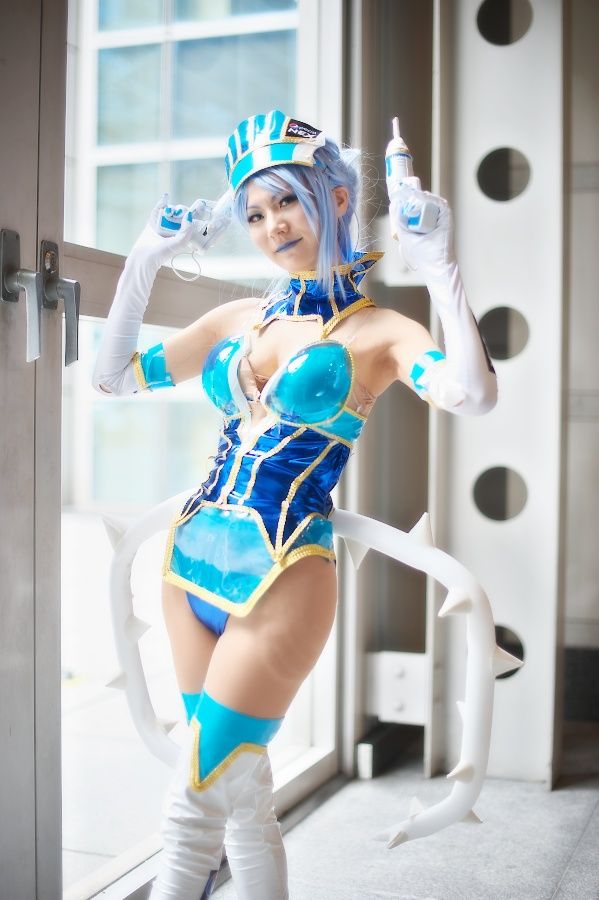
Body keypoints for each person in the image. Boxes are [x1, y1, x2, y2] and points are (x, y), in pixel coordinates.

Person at [92, 109, 497, 900]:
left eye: (287, 201)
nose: (271, 225)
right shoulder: (238, 318)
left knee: (191, 808)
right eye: (253, 213)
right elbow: (113, 378)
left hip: (283, 573)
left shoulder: (380, 331)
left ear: (335, 199)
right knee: (241, 800)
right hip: (188, 565)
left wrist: (440, 266)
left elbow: (472, 395)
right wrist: (144, 257)